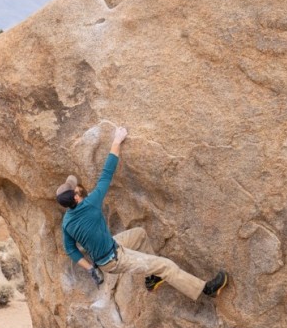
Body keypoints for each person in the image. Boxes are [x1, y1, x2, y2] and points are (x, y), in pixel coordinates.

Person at [56, 126, 228, 300]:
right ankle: (206, 289)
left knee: (139, 235)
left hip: (107, 252)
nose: (77, 187)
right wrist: (117, 141)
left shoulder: (67, 223)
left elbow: (70, 249)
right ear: (77, 198)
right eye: (75, 189)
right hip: (115, 259)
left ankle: (152, 278)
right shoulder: (91, 204)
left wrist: (90, 269)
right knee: (165, 265)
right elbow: (107, 174)